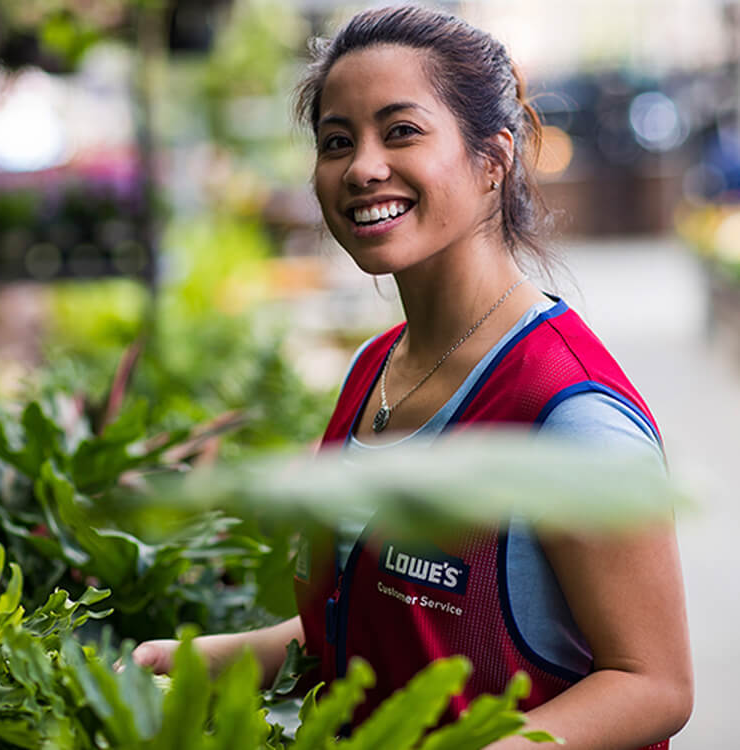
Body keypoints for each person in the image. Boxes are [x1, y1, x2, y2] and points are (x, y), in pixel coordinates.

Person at [132, 6, 693, 748]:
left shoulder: (567, 411)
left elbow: (653, 684)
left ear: (492, 160)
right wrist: (192, 661)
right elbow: (357, 631)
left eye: (401, 131)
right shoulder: (374, 370)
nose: (362, 166)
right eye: (338, 141)